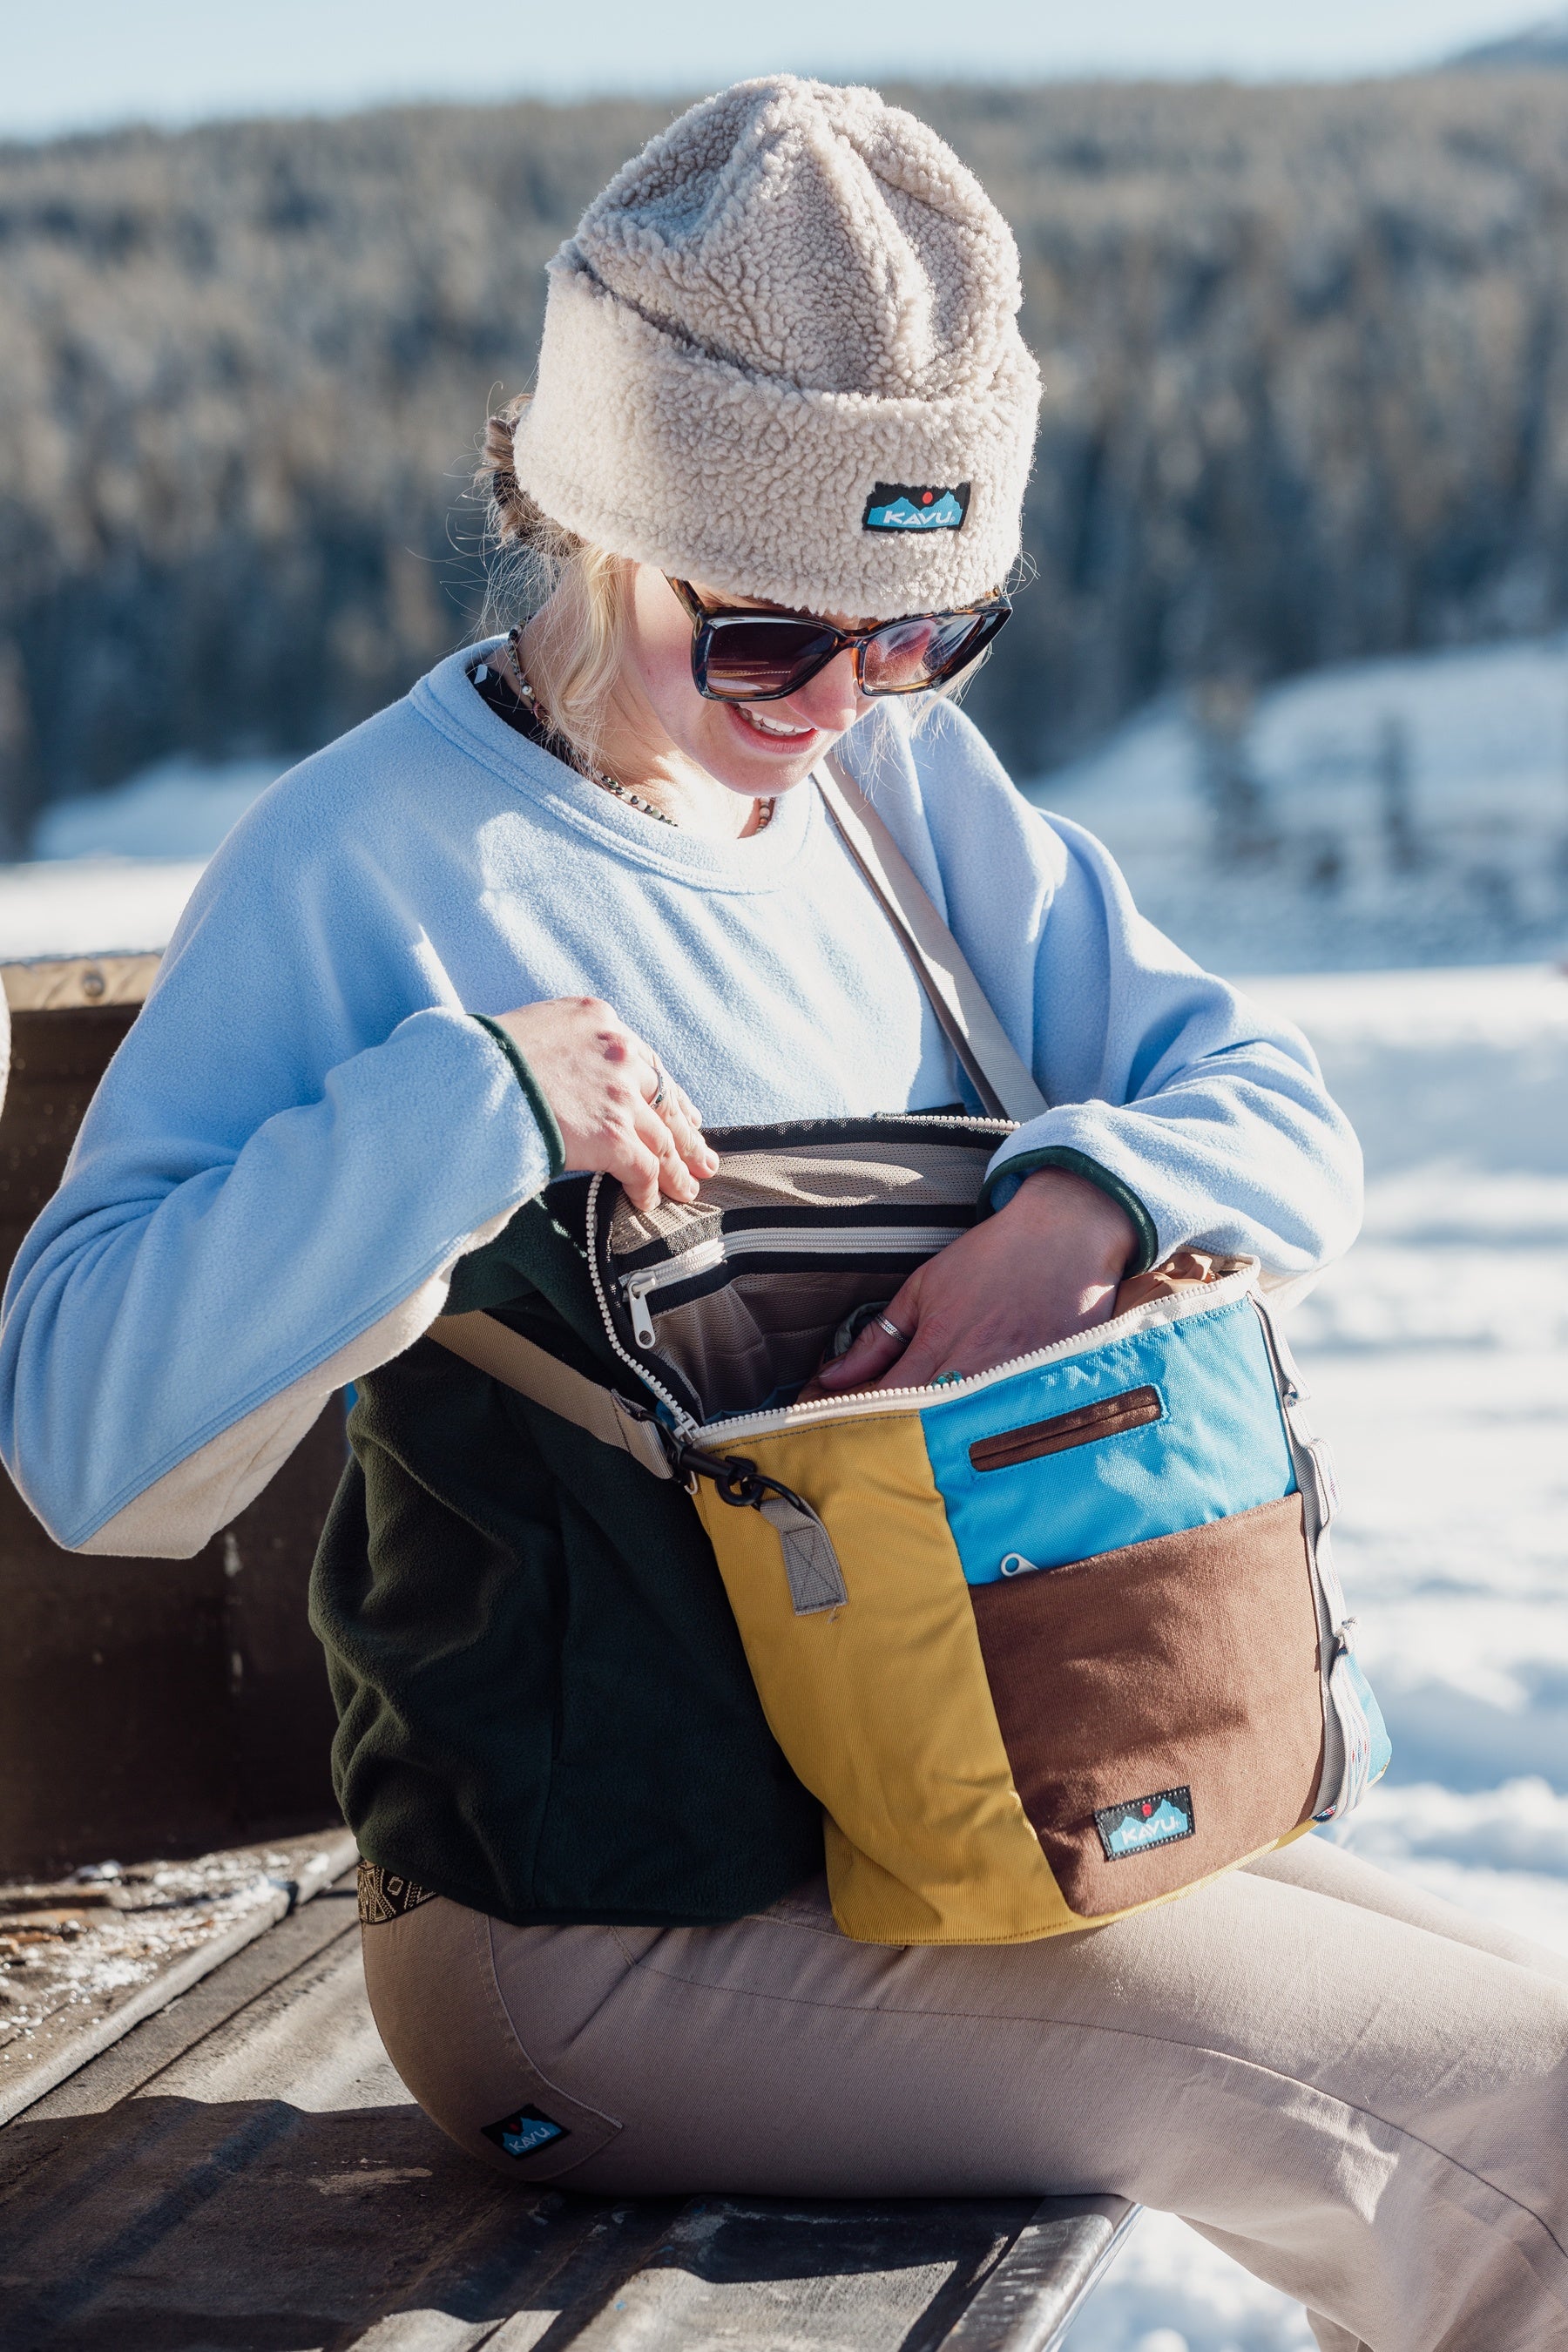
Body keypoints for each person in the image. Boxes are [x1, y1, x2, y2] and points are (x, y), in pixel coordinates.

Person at [3, 77, 1564, 2352]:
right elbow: (80, 1432)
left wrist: (1074, 1208)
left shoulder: (904, 809)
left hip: (968, 1818)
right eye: (764, 637)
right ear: (595, 515)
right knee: (1523, 2128)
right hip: (602, 1938)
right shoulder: (374, 867)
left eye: (921, 630)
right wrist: (466, 1109)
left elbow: (1276, 1109)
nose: (838, 704)